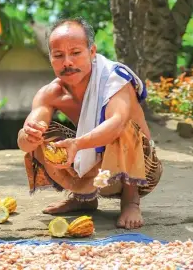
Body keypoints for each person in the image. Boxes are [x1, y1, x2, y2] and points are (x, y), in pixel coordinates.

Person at [18, 17, 162, 229]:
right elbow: (24, 143)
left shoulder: (115, 80)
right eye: (58, 55)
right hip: (99, 172)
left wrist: (77, 144)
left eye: (76, 53)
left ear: (92, 52)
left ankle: (131, 201)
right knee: (43, 133)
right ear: (50, 58)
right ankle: (83, 198)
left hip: (139, 171)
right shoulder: (50, 93)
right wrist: (28, 135)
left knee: (123, 128)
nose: (67, 62)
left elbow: (117, 123)